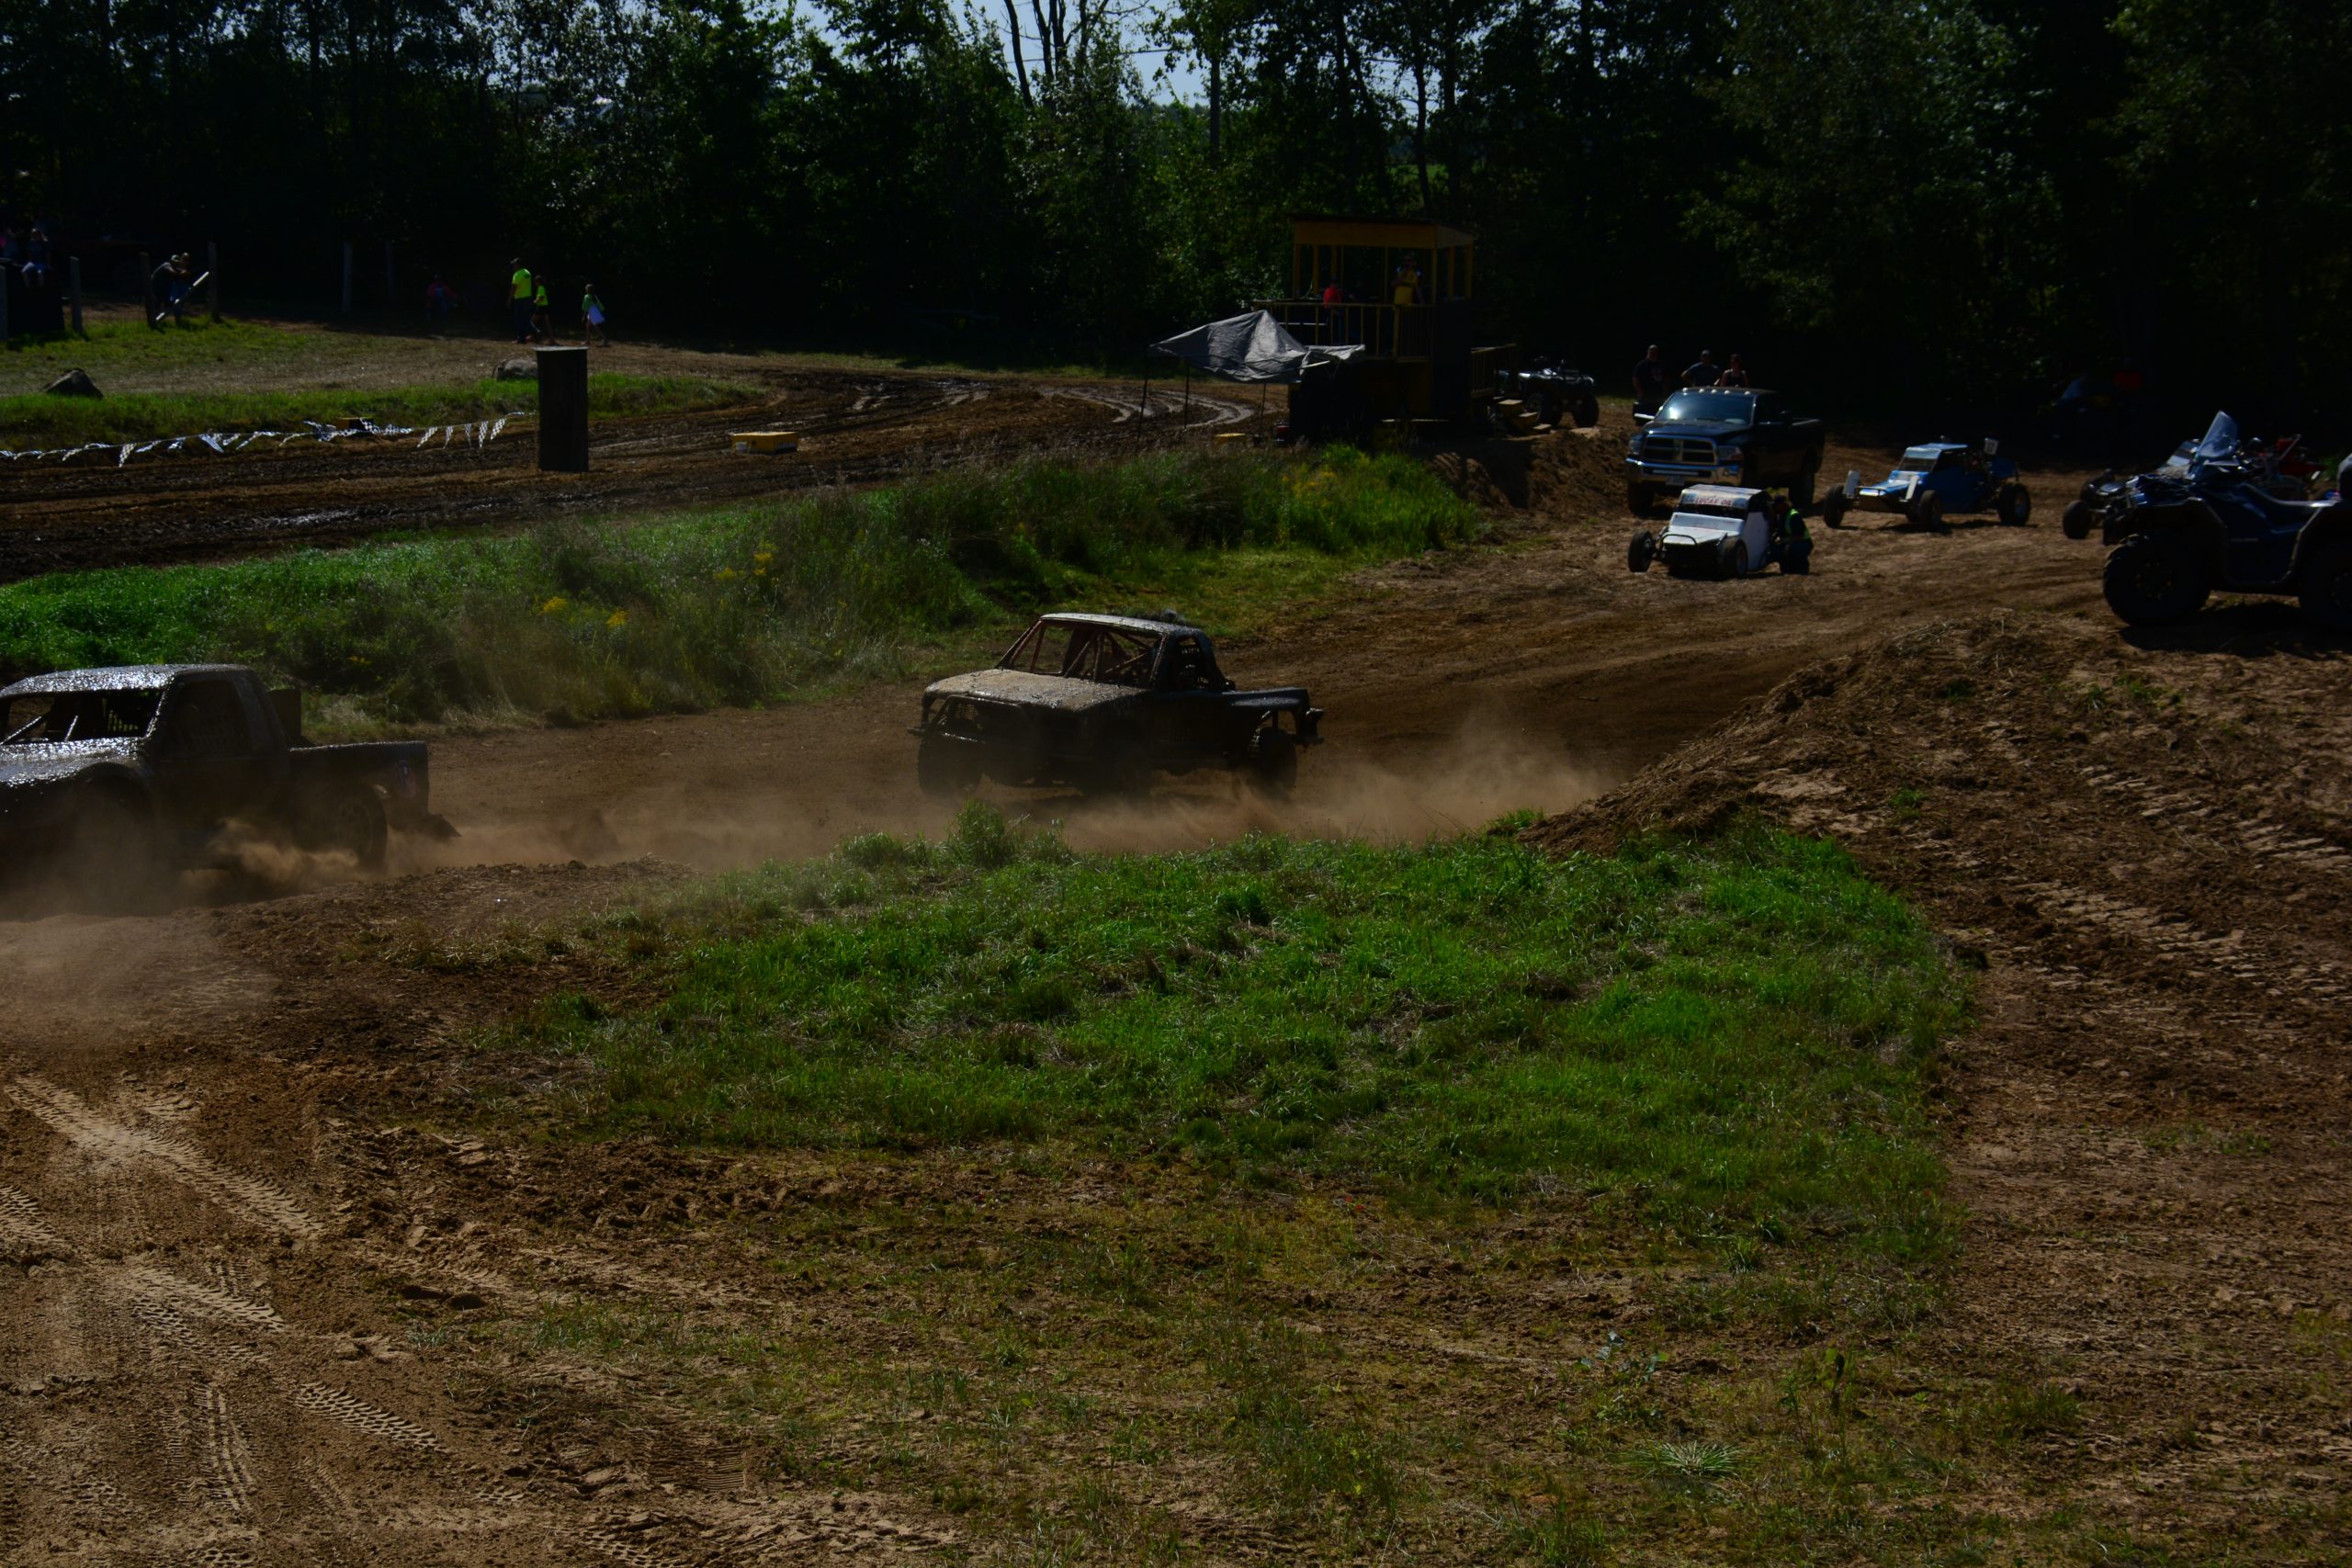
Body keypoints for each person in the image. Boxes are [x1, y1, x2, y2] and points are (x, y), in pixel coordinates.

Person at [150, 253, 192, 327]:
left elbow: (184, 273)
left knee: (167, 304)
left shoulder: (174, 268)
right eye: (174, 261)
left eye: (177, 262)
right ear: (171, 261)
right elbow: (172, 272)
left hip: (162, 288)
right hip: (155, 288)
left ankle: (158, 321)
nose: (175, 263)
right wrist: (181, 274)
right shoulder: (167, 265)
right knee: (156, 305)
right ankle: (154, 322)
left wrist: (185, 272)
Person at [1631, 344, 1672, 415]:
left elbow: (1667, 378)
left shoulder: (1662, 365)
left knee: (1657, 412)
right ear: (1648, 352)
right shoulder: (1642, 365)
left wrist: (1665, 390)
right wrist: (1640, 391)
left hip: (1658, 393)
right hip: (1646, 394)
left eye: (1654, 352)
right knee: (1645, 412)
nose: (1652, 354)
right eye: (1651, 352)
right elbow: (1635, 378)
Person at [509, 258, 535, 344]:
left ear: (518, 265)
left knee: (519, 319)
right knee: (526, 318)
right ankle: (534, 333)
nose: (513, 266)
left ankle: (522, 338)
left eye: (514, 264)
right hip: (528, 298)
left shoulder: (517, 274)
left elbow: (513, 287)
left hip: (520, 299)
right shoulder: (527, 272)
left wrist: (510, 299)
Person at [581, 282, 608, 346]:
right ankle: (588, 341)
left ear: (588, 290)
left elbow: (586, 307)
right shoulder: (594, 296)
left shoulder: (587, 297)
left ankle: (605, 339)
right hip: (595, 311)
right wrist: (601, 311)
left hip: (592, 313)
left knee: (596, 327)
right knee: (588, 326)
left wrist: (584, 316)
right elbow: (599, 305)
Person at [531, 276, 553, 344]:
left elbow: (541, 297)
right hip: (545, 306)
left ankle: (534, 336)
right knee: (547, 323)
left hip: (541, 307)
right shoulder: (542, 288)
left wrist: (535, 301)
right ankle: (551, 339)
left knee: (532, 322)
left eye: (535, 282)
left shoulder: (540, 288)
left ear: (538, 282)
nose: (534, 283)